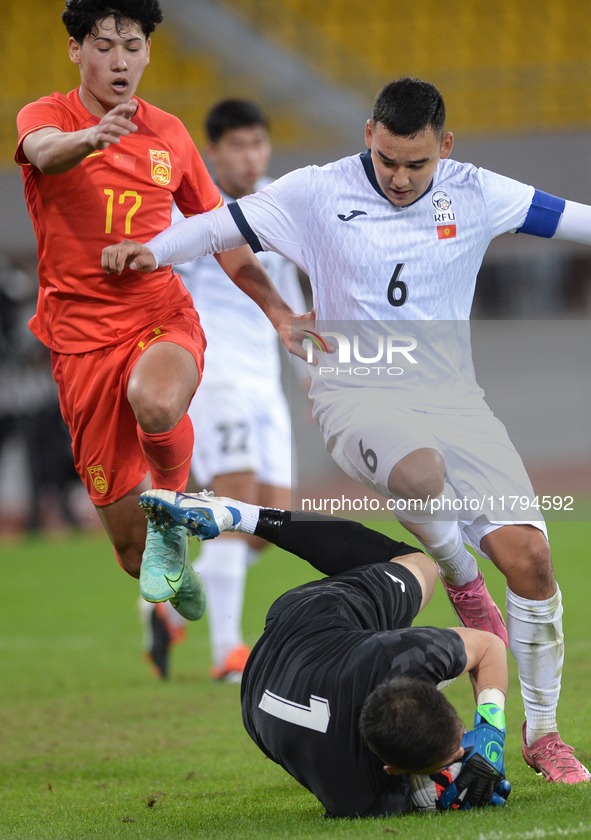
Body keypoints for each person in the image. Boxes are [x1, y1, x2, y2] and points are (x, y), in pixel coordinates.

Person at [103, 77, 591, 783]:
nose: (397, 177)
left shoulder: (478, 192)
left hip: (456, 401)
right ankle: (458, 576)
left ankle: (543, 736)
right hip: (353, 389)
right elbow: (220, 224)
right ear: (368, 134)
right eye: (386, 158)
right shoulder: (316, 191)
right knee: (420, 474)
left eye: (415, 164)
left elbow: (574, 218)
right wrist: (153, 249)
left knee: (531, 562)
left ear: (444, 149)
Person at [15, 1, 304, 621]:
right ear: (76, 51)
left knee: (157, 399)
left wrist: (278, 312)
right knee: (127, 552)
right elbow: (43, 152)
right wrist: (88, 138)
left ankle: (171, 510)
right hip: (79, 344)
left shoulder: (169, 134)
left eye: (132, 46)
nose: (119, 61)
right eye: (103, 46)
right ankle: (168, 568)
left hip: (160, 317)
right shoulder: (46, 116)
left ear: (148, 51)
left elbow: (222, 235)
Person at [137, 487, 510, 818]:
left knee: (417, 567)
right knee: (418, 565)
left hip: (307, 623)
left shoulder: (400, 658)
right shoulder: (358, 798)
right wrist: (473, 751)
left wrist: (488, 730)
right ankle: (232, 517)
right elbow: (491, 646)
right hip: (258, 699)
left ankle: (235, 514)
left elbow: (486, 646)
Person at [142, 98, 307, 680]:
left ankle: (158, 591)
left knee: (269, 525)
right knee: (236, 495)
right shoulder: (191, 209)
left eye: (258, 143)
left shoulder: (282, 206)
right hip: (217, 376)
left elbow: (292, 295)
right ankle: (227, 652)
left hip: (267, 382)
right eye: (237, 145)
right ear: (213, 152)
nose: (250, 154)